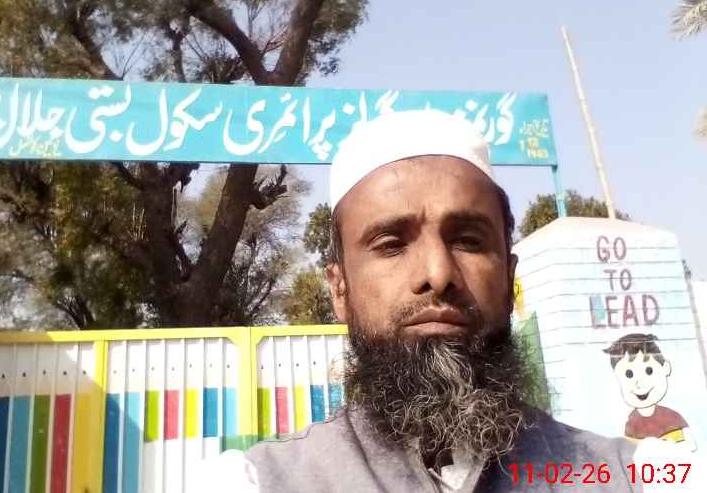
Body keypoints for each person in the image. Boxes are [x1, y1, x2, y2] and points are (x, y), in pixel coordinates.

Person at [192, 110, 701, 492]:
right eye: (391, 243)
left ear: (510, 276)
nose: (438, 274)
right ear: (339, 289)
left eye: (468, 241)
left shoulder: (644, 476)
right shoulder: (257, 483)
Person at [604, 333, 697, 451]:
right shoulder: (632, 424)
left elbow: (691, 445)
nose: (639, 383)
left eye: (649, 371)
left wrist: (668, 447)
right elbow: (631, 453)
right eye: (629, 374)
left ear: (666, 368)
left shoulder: (672, 416)